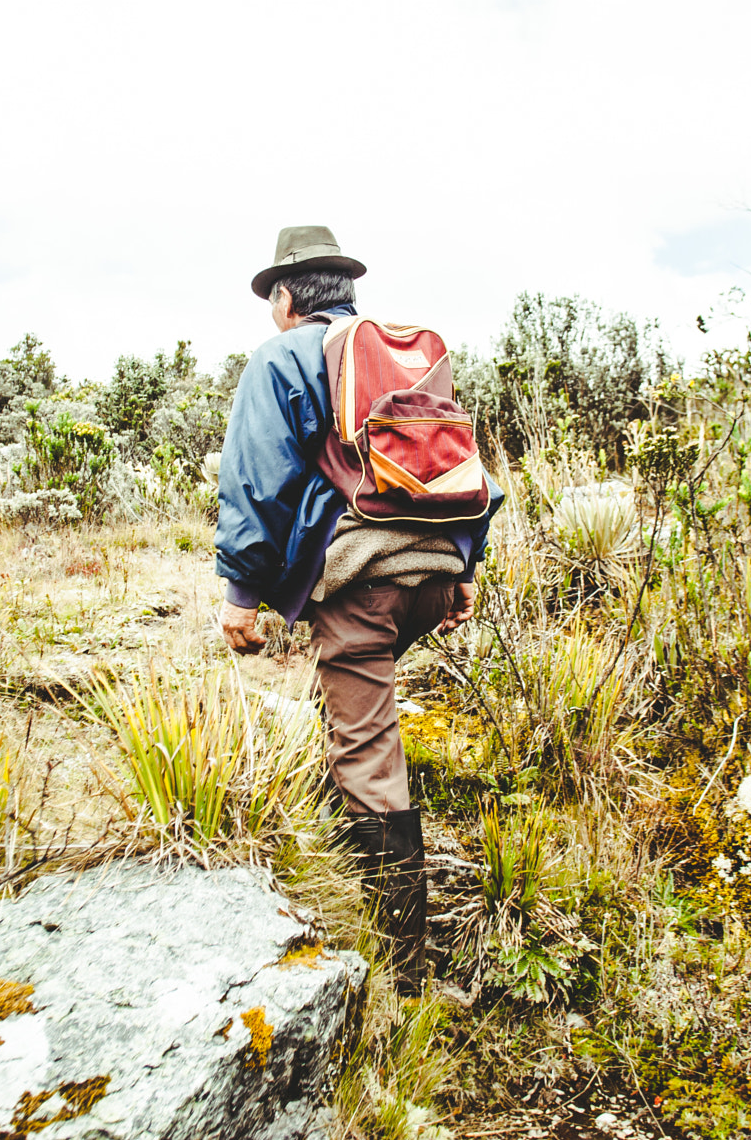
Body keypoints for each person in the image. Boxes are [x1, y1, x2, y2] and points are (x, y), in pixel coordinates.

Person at [214, 225, 501, 991]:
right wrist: (462, 566)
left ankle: (402, 973)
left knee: (369, 750)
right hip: (433, 572)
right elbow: (462, 464)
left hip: (363, 581)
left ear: (284, 298)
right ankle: (327, 817)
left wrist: (242, 593)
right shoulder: (403, 355)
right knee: (350, 707)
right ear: (343, 289)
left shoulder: (281, 357)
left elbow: (256, 478)